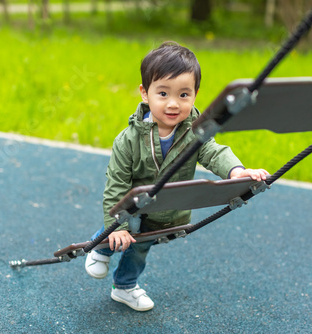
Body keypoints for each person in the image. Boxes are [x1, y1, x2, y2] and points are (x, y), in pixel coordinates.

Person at [85, 42, 269, 312]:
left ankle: (124, 287)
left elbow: (214, 153)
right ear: (145, 94)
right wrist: (119, 226)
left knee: (140, 249)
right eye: (162, 93)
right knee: (125, 230)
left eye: (184, 94)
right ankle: (100, 248)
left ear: (195, 95)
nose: (173, 104)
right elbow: (116, 187)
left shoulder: (196, 131)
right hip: (132, 206)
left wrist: (238, 172)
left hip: (165, 210)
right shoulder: (127, 140)